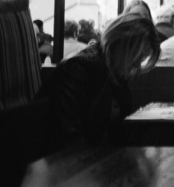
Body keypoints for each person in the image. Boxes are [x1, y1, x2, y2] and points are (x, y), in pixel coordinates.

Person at [36, 14, 161, 150]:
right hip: (63, 164)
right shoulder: (78, 70)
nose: (137, 65)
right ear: (120, 45)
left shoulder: (114, 70)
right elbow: (69, 137)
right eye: (137, 57)